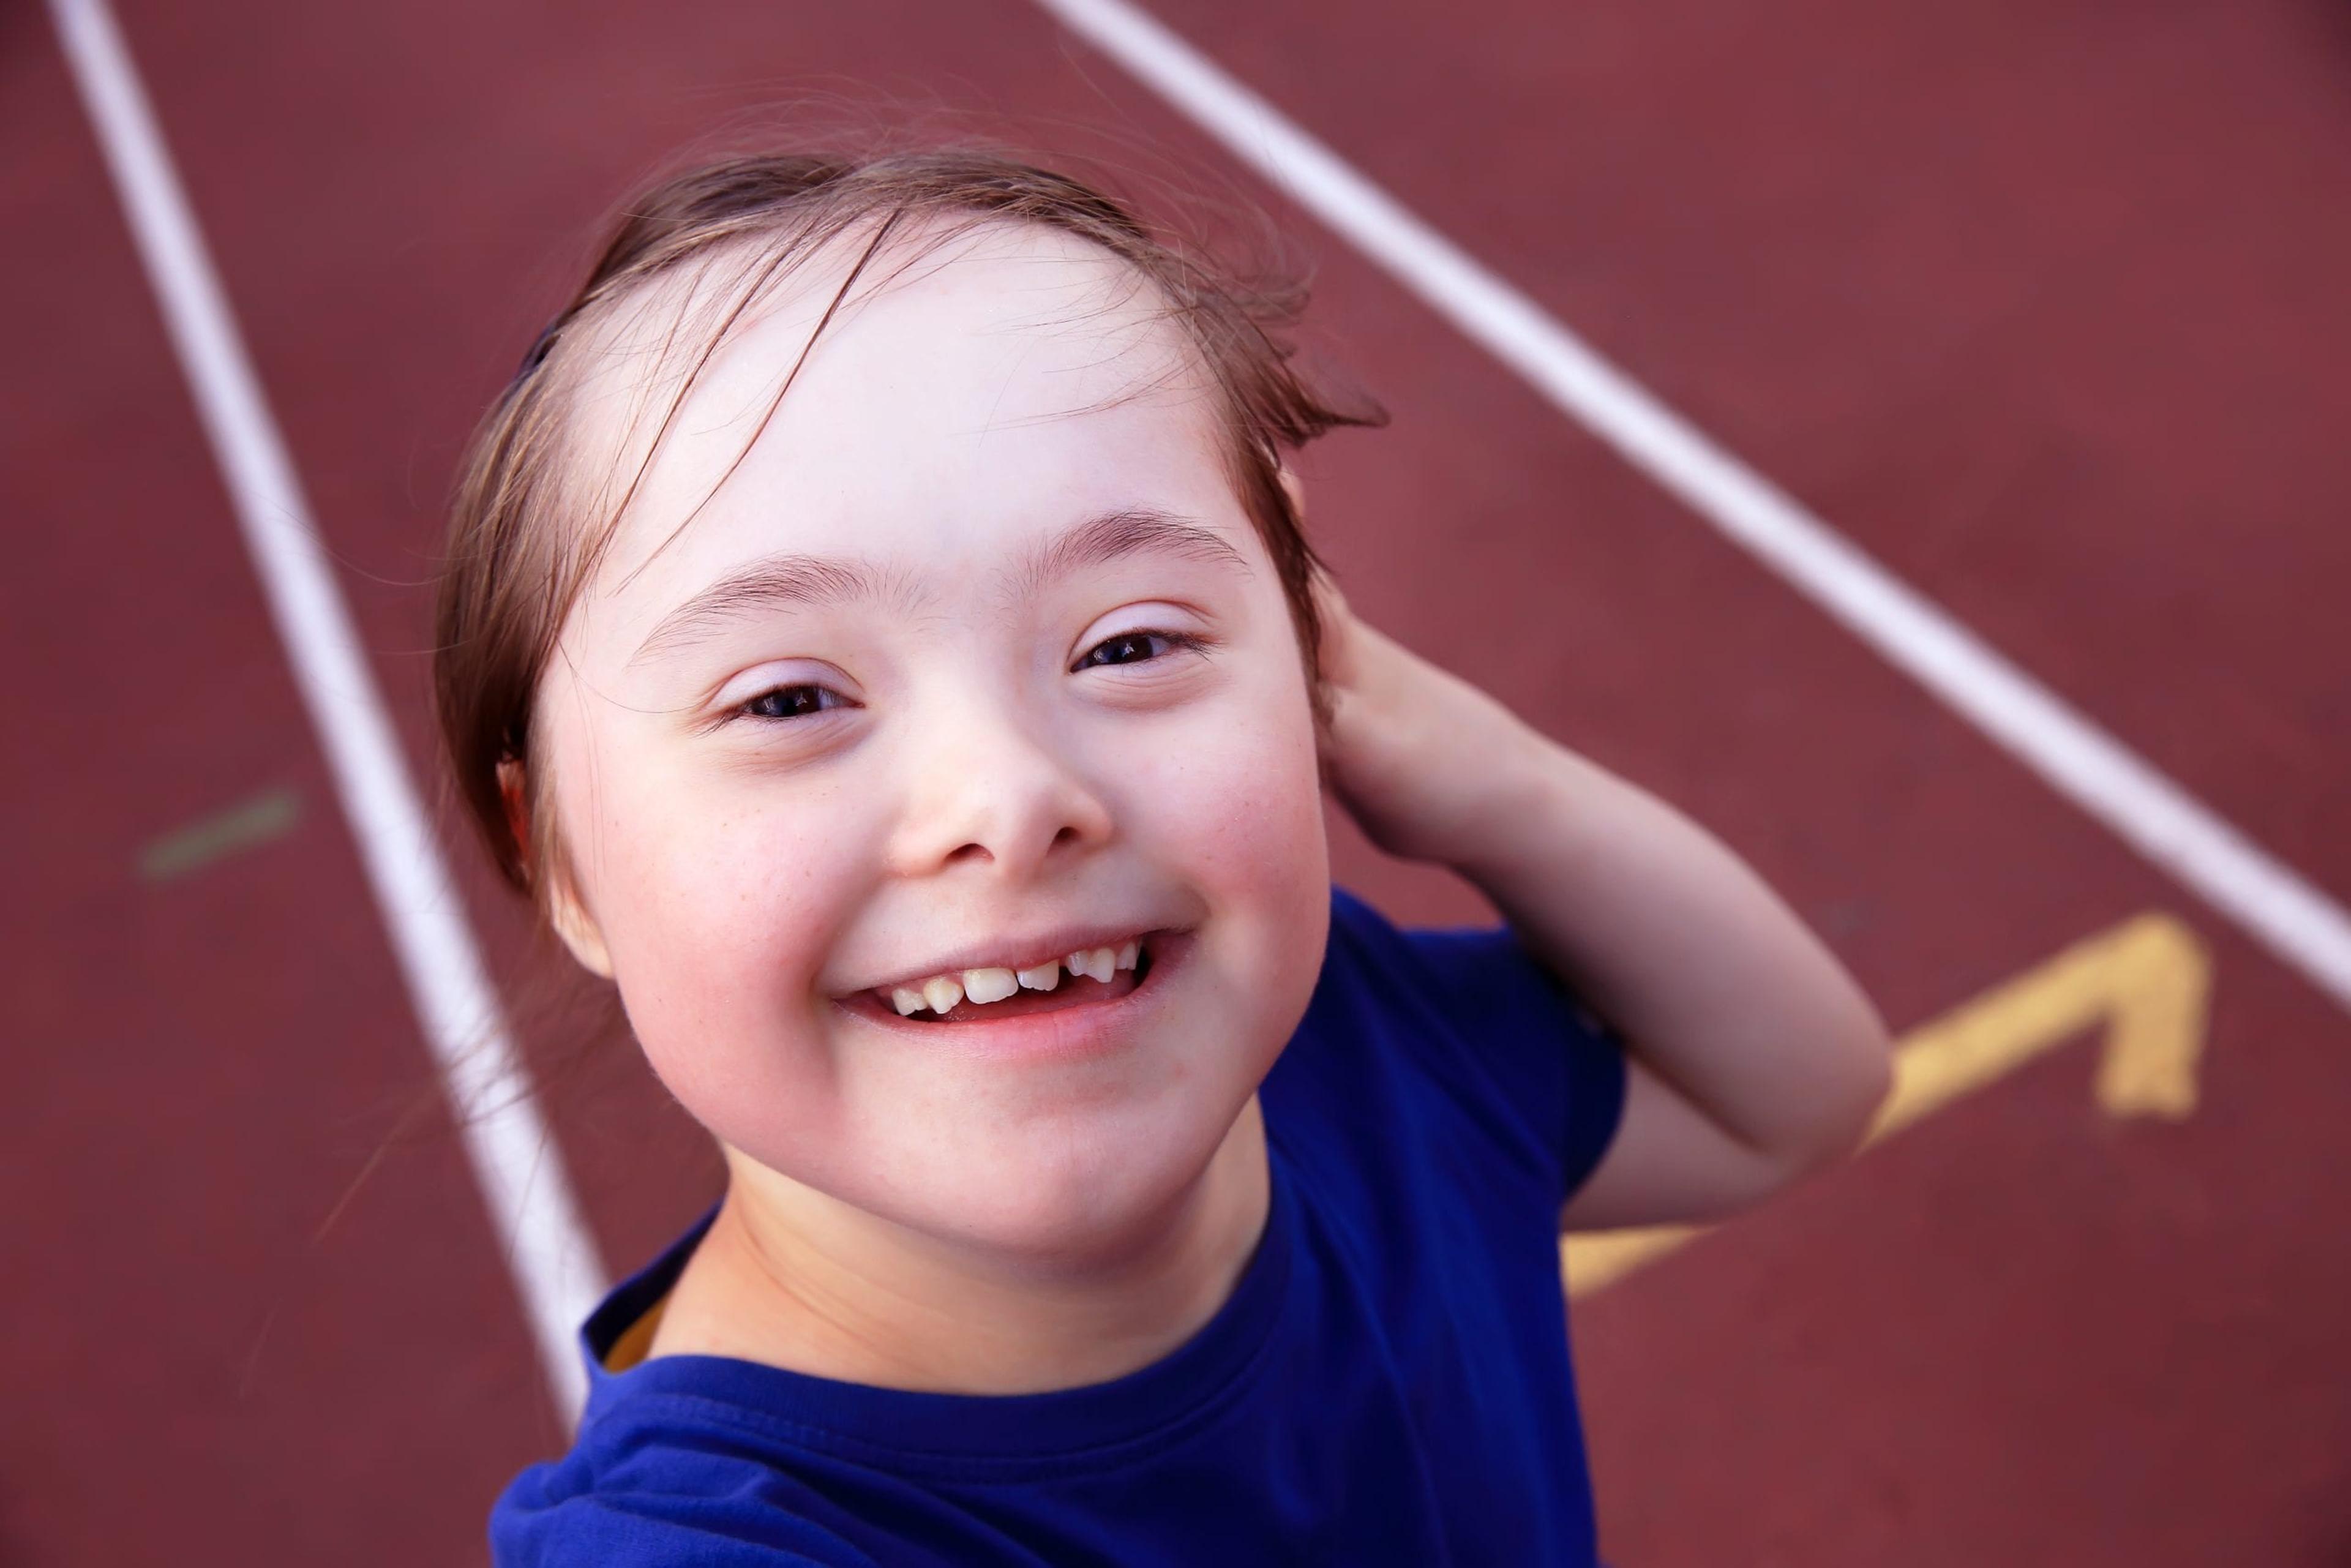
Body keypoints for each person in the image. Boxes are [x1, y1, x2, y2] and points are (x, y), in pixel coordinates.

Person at [437, 144, 1893, 1566]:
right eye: (789, 700)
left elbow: (1785, 1097)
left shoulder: (1349, 1053)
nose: (1008, 798)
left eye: (1129, 642)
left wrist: (1453, 756)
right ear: (557, 855)